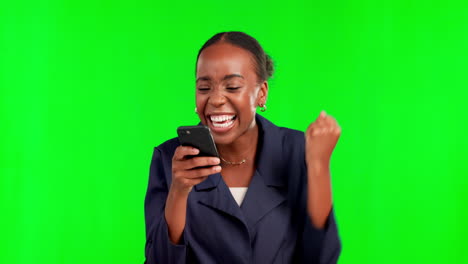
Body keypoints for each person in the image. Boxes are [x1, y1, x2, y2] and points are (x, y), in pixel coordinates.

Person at [144, 31, 342, 263]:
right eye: (204, 88)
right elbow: (158, 259)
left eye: (233, 87)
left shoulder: (296, 150)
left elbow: (321, 256)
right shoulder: (170, 158)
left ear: (261, 93)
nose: (216, 99)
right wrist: (179, 191)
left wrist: (319, 167)